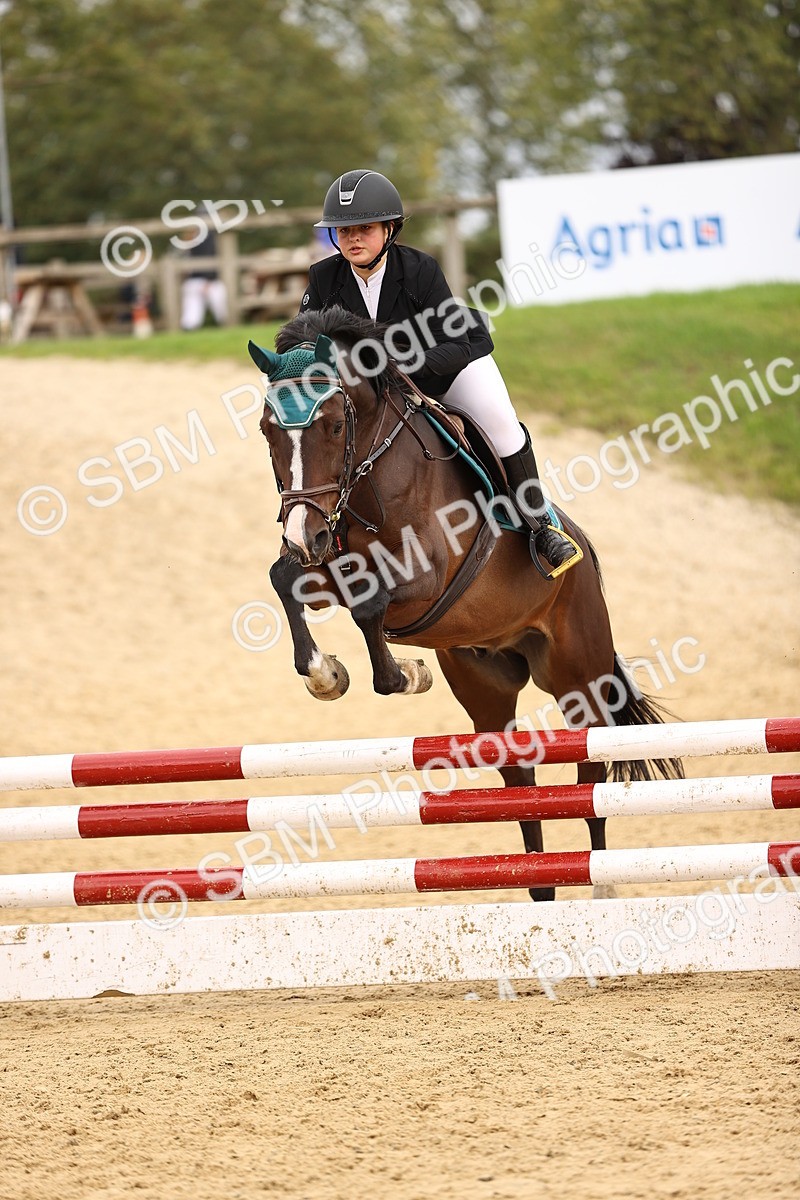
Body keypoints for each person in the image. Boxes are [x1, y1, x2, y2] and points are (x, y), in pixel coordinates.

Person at [301, 168, 578, 576]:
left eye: (364, 228)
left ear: (390, 229)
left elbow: (454, 346)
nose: (353, 239)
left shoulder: (419, 271)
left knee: (501, 426)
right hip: (377, 385)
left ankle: (540, 526)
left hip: (448, 365)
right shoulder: (324, 278)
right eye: (343, 231)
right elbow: (306, 344)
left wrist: (395, 365)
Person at [180, 220, 228, 332]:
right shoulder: (206, 237)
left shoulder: (195, 238)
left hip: (197, 281)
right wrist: (208, 279)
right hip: (203, 281)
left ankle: (190, 329)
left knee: (193, 313)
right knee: (219, 309)